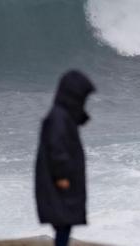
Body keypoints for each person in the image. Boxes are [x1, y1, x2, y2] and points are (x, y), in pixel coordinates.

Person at [35, 69, 96, 246]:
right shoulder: (58, 117)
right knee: (63, 222)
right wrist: (61, 175)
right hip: (59, 180)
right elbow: (56, 148)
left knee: (63, 221)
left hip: (61, 178)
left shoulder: (63, 115)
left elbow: (76, 120)